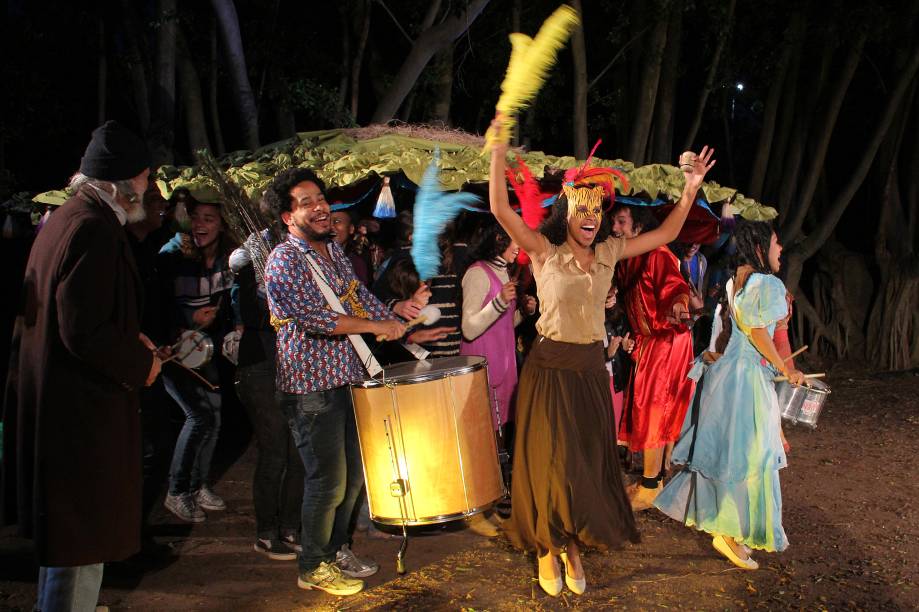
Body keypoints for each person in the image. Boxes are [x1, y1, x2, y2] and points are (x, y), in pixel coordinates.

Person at [488, 117, 715, 597]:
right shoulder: (545, 252)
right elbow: (500, 210)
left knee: (585, 464)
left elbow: (669, 231)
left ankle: (572, 543)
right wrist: (496, 153)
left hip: (591, 370)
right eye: (582, 209)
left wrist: (691, 186)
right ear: (567, 212)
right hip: (549, 369)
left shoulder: (612, 251)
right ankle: (549, 546)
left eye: (597, 209)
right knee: (551, 461)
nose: (590, 217)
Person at [2, 120, 161, 611]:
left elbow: (74, 311)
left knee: (71, 537)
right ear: (118, 183)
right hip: (80, 415)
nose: (146, 189)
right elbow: (83, 331)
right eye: (142, 179)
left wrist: (126, 333)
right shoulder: (93, 228)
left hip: (60, 404)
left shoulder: (68, 217)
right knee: (83, 537)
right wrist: (142, 363)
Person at [263, 168, 406, 596]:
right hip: (311, 388)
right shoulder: (284, 260)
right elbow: (319, 319)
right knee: (327, 480)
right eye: (305, 202)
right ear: (288, 218)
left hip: (346, 379)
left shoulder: (333, 253)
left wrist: (396, 316)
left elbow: (357, 297)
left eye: (321, 198)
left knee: (354, 478)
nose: (320, 206)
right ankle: (312, 564)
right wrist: (377, 326)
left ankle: (336, 549)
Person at [653, 219, 805, 570]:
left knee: (736, 457)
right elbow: (755, 331)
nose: (780, 250)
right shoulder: (766, 283)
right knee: (748, 459)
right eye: (776, 243)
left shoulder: (738, 282)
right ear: (759, 247)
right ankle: (729, 532)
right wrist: (785, 369)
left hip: (730, 378)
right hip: (747, 381)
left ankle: (732, 531)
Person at [158, 190, 237, 522]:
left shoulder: (227, 258)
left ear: (221, 224)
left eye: (209, 218)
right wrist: (190, 322)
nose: (200, 225)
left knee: (214, 417)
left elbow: (233, 297)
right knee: (198, 415)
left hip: (205, 350)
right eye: (196, 217)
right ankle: (177, 491)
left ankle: (197, 484)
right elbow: (154, 309)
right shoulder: (171, 256)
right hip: (174, 351)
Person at [612, 204, 695, 511]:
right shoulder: (626, 260)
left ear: (639, 228)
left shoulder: (657, 254)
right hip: (650, 341)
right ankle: (655, 480)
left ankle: (650, 485)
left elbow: (676, 287)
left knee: (653, 406)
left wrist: (678, 302)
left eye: (622, 222)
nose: (615, 228)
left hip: (667, 340)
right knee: (652, 405)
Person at [230, 223, 305, 560]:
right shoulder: (250, 263)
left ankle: (290, 527)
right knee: (275, 449)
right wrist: (244, 271)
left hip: (294, 365)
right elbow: (251, 314)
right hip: (260, 366)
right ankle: (266, 532)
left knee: (299, 451)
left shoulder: (301, 257)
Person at [459, 223, 536, 442]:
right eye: (515, 240)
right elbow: (469, 328)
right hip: (484, 366)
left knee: (503, 434)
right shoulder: (477, 273)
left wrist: (524, 312)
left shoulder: (503, 272)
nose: (519, 247)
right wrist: (500, 301)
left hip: (504, 366)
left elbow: (503, 324)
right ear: (498, 240)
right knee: (487, 437)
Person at [330, 209, 371, 285]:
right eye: (327, 222)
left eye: (337, 221)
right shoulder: (312, 258)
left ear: (351, 229)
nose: (331, 227)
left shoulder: (357, 264)